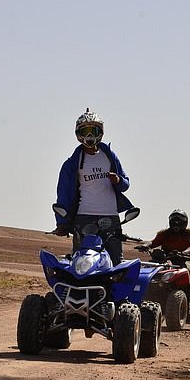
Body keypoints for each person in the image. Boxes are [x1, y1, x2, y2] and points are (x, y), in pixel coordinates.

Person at [51, 108, 134, 266]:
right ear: (78, 133)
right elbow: (63, 194)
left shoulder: (109, 156)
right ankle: (79, 291)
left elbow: (126, 184)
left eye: (93, 130)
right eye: (86, 131)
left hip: (110, 217)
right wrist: (61, 222)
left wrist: (118, 180)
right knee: (81, 262)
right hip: (84, 217)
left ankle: (112, 291)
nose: (90, 135)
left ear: (100, 132)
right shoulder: (72, 163)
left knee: (115, 262)